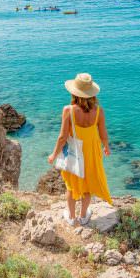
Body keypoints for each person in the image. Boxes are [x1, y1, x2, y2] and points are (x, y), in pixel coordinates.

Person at [47, 73, 112, 226]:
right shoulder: (99, 111)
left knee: (71, 185)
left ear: (74, 92)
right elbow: (103, 134)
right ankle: (83, 216)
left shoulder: (68, 110)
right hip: (91, 152)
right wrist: (107, 147)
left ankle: (71, 216)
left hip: (74, 153)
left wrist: (54, 155)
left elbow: (62, 137)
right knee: (87, 185)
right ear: (92, 94)